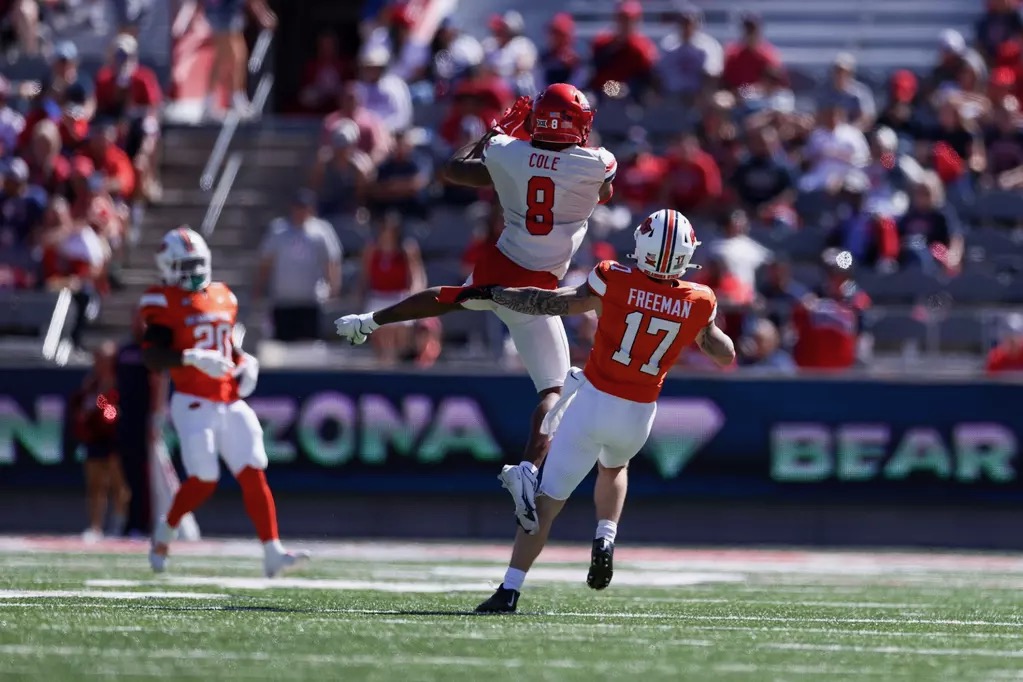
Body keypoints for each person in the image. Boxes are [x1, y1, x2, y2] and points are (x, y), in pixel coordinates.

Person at [335, 85, 616, 532]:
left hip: (499, 265)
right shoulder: (595, 162)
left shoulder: (508, 152)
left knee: (455, 296)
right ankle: (526, 470)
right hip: (535, 289)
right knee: (554, 389)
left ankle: (369, 320)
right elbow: (605, 190)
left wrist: (493, 133)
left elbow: (454, 171)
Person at [460, 209, 734, 612]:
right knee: (614, 468)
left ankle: (510, 588)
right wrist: (702, 326)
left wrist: (498, 294)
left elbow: (553, 303)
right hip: (639, 413)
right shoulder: (699, 299)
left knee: (547, 500)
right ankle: (606, 533)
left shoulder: (613, 277)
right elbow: (724, 355)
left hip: (594, 400)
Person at [140, 226, 309, 577]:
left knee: (253, 469)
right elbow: (153, 357)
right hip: (192, 401)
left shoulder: (222, 296)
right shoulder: (161, 300)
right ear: (168, 266)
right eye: (185, 266)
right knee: (204, 478)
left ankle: (272, 550)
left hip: (229, 399)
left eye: (197, 264)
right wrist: (189, 358)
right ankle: (165, 529)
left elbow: (228, 346)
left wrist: (245, 360)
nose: (193, 273)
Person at [254, 189, 343, 341]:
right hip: (283, 302)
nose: (300, 211)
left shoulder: (321, 231)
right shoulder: (278, 230)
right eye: (298, 207)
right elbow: (266, 262)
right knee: (282, 345)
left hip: (311, 301)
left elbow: (331, 261)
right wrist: (259, 288)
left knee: (308, 345)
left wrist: (334, 287)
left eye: (304, 207)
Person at [69, 341, 131, 541]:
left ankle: (119, 524)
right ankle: (95, 526)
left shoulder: (121, 383)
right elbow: (86, 407)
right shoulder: (92, 383)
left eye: (104, 360)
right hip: (95, 438)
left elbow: (113, 414)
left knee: (119, 485)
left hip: (116, 439)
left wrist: (103, 402)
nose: (99, 364)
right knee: (95, 485)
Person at [358, 212, 426, 365]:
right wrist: (360, 295)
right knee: (380, 329)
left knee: (401, 328)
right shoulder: (371, 250)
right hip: (378, 296)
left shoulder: (407, 249)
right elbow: (364, 276)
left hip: (399, 295)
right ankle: (383, 361)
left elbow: (416, 275)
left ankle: (398, 360)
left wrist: (414, 295)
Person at [200, 0, 277, 119]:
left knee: (234, 56)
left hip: (231, 12)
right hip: (220, 11)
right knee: (230, 56)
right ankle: (226, 100)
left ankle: (227, 99)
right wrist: (262, 14)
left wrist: (262, 13)